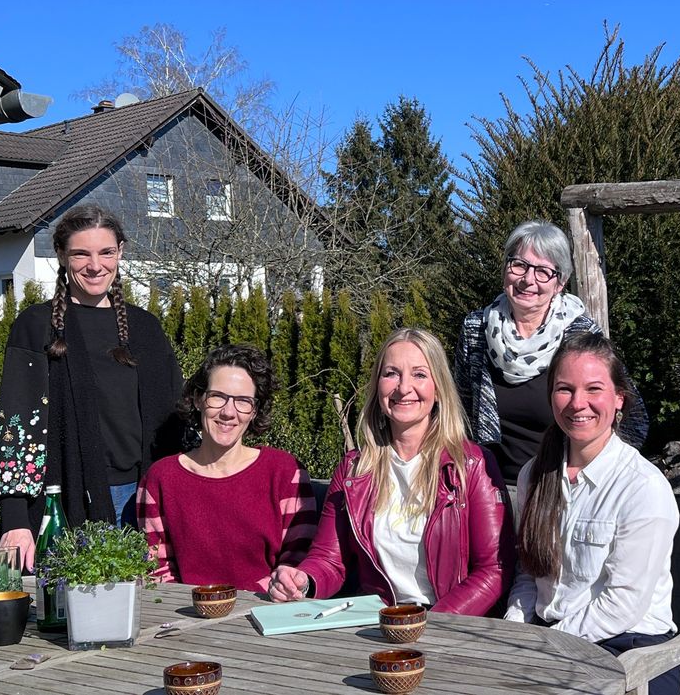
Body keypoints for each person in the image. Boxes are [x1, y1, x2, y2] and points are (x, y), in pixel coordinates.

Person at [0, 205, 183, 571]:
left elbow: (176, 421)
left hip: (142, 499)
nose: (95, 265)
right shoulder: (36, 326)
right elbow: (15, 426)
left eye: (106, 252)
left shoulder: (145, 329)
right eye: (81, 253)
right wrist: (15, 518)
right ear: (61, 255)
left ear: (121, 252)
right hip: (61, 501)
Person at [269, 328, 515, 615]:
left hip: (450, 627)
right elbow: (329, 560)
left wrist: (434, 623)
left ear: (439, 389)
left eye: (419, 374)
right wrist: (304, 580)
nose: (403, 387)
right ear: (377, 386)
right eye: (392, 373)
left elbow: (494, 569)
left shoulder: (472, 464)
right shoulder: (353, 469)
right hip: (375, 623)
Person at [505, 332, 680, 695]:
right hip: (550, 641)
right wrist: (515, 632)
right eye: (565, 389)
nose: (577, 403)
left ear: (619, 399)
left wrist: (545, 646)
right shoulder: (533, 476)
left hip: (630, 650)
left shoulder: (642, 487)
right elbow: (528, 573)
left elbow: (623, 603)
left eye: (594, 389)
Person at [454, 219, 650, 484]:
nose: (527, 279)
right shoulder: (475, 329)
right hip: (491, 488)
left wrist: (599, 476)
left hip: (560, 487)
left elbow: (632, 415)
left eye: (543, 271)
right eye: (519, 265)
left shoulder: (580, 334)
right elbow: (460, 413)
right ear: (505, 270)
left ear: (560, 283)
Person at [137, 344, 317, 593]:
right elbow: (156, 569)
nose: (229, 412)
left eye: (243, 401)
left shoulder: (285, 472)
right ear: (199, 399)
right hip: (187, 617)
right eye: (218, 397)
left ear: (254, 411)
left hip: (266, 612)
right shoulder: (161, 479)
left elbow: (298, 561)